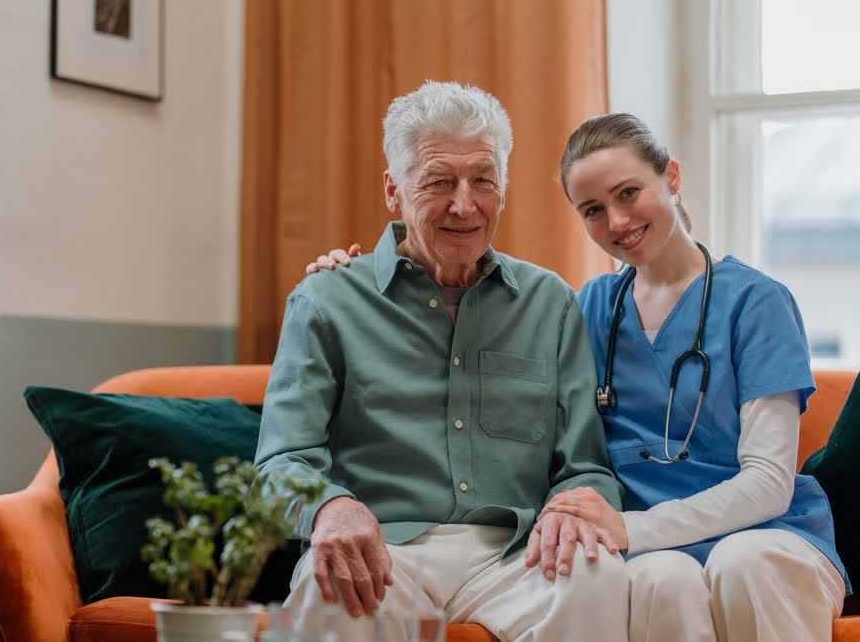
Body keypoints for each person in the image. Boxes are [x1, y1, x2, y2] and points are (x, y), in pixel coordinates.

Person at [310, 112, 851, 642]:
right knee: (659, 579)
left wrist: (630, 529)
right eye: (592, 210)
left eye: (628, 193)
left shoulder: (757, 302)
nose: (616, 222)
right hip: (647, 546)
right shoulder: (588, 307)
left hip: (758, 533)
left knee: (743, 563)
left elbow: (768, 483)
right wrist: (352, 275)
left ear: (673, 178)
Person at [255, 81, 630, 642]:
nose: (464, 203)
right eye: (438, 181)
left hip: (516, 555)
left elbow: (586, 465)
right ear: (393, 190)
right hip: (383, 550)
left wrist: (574, 507)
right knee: (328, 587)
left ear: (503, 187)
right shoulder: (325, 301)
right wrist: (330, 509)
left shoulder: (549, 301)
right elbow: (280, 464)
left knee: (597, 575)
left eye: (483, 179)